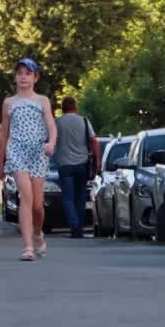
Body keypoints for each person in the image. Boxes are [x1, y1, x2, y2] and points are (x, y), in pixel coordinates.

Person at [0, 58, 57, 261]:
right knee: (26, 197)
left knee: (38, 205)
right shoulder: (9, 103)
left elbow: (51, 126)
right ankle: (28, 247)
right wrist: (0, 162)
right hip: (17, 151)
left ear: (35, 78)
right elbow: (4, 133)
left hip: (38, 152)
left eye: (28, 73)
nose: (23, 77)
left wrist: (51, 143)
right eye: (20, 73)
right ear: (15, 77)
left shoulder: (42, 101)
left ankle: (38, 234)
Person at [52, 96, 97, 239]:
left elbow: (50, 141)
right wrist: (98, 161)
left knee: (68, 198)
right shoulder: (84, 121)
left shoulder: (57, 123)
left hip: (65, 165)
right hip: (82, 164)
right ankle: (80, 227)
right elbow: (94, 141)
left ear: (62, 108)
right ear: (75, 107)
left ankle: (74, 225)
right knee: (81, 198)